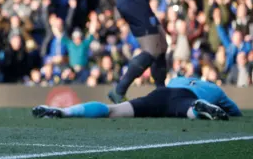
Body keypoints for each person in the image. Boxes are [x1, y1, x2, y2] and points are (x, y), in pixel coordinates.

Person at [33, 76, 242, 120]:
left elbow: (166, 82)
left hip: (161, 92)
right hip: (187, 98)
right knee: (187, 110)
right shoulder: (216, 89)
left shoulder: (179, 77)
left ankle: (64, 111)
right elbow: (235, 112)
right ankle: (199, 109)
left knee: (114, 110)